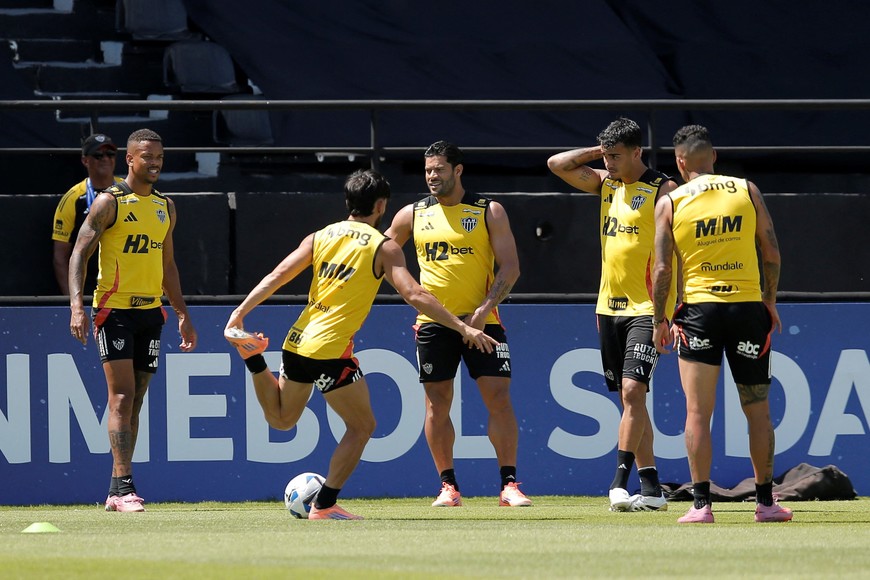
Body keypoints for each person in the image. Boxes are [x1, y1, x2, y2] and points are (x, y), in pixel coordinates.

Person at [224, 169, 499, 520]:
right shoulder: (383, 247)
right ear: (381, 205)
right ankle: (323, 506)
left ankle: (254, 360)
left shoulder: (320, 236)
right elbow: (414, 293)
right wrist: (463, 327)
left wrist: (239, 313)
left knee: (281, 420)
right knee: (362, 427)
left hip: (298, 340)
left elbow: (278, 275)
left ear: (348, 202)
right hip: (331, 349)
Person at [651, 124, 792, 524]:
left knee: (697, 412)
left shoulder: (671, 201)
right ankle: (766, 504)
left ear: (680, 162)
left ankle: (701, 506)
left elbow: (662, 268)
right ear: (713, 156)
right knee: (758, 409)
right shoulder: (746, 189)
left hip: (699, 313)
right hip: (746, 308)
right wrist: (769, 302)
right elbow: (771, 251)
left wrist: (661, 318)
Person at [384, 141, 531, 508]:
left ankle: (509, 485)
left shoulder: (488, 211)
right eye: (428, 170)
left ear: (458, 170)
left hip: (484, 321)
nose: (433, 176)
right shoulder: (412, 214)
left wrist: (483, 309)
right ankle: (448, 487)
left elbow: (511, 266)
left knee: (498, 398)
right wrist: (407, 285)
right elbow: (381, 254)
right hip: (433, 323)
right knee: (437, 404)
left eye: (439, 169)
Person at [547, 117, 677, 512]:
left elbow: (677, 255)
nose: (611, 162)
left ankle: (619, 482)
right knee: (630, 400)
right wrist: (599, 153)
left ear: (638, 152)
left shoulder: (664, 189)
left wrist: (665, 315)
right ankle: (652, 486)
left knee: (633, 391)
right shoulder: (606, 183)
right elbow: (557, 163)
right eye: (607, 156)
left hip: (647, 308)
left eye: (617, 155)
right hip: (609, 306)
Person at [69, 128, 198, 513]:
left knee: (137, 400)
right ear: (130, 159)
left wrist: (181, 313)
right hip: (113, 311)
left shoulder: (165, 206)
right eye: (146, 156)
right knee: (122, 397)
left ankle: (115, 489)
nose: (154, 162)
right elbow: (79, 253)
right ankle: (125, 488)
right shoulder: (111, 202)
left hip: (150, 313)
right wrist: (78, 305)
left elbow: (168, 263)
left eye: (159, 156)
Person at [52, 133, 125, 295]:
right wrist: (73, 301)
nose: (105, 159)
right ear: (85, 161)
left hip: (125, 284)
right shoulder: (73, 198)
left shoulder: (128, 191)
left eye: (110, 154)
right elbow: (60, 257)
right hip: (88, 287)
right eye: (98, 155)